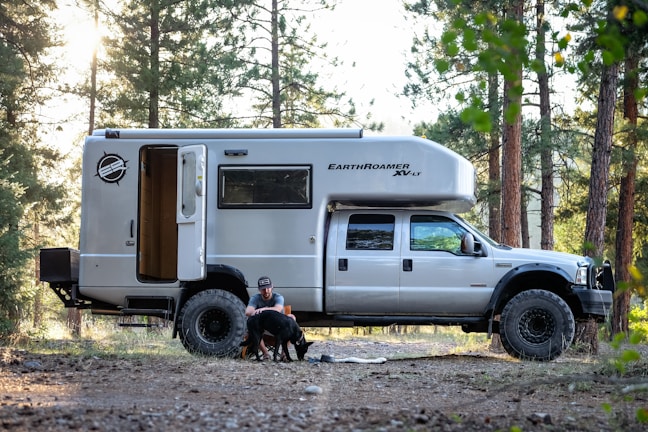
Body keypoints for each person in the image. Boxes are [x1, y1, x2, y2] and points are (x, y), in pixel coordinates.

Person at [245, 276, 295, 360]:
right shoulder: (255, 298)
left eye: (268, 288)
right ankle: (266, 354)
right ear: (259, 289)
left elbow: (278, 309)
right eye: (263, 289)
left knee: (291, 317)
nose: (266, 291)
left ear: (272, 287)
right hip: (263, 329)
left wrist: (263, 309)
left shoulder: (278, 297)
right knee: (254, 325)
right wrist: (256, 313)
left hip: (279, 328)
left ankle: (284, 354)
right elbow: (248, 312)